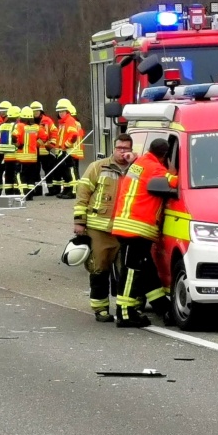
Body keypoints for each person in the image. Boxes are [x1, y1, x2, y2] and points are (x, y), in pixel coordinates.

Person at [110, 138, 177, 327]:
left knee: (147, 270)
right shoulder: (155, 169)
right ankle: (124, 314)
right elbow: (176, 182)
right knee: (132, 271)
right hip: (136, 227)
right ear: (164, 156)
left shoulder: (140, 162)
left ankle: (162, 307)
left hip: (126, 224)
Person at [75, 133, 134, 322]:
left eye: (126, 148)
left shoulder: (136, 169)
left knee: (125, 270)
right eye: (120, 148)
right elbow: (83, 193)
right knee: (99, 268)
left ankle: (124, 308)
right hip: (99, 229)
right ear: (113, 149)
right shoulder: (98, 167)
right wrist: (79, 221)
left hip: (125, 229)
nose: (123, 152)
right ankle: (100, 308)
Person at [54, 99, 82, 199]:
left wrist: (66, 145)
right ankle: (66, 189)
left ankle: (73, 191)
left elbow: (74, 135)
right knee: (65, 172)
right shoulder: (62, 122)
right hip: (64, 151)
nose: (60, 113)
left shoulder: (69, 121)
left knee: (71, 172)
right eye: (59, 111)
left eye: (62, 111)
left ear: (67, 111)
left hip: (69, 151)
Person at [31, 101, 59, 196]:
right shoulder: (29, 121)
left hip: (45, 150)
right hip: (34, 151)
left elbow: (54, 132)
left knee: (48, 170)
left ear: (41, 111)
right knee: (35, 171)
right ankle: (38, 190)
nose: (35, 113)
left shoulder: (47, 121)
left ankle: (51, 189)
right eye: (33, 111)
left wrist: (52, 144)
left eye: (37, 111)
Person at [16, 106, 40, 199]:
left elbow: (14, 136)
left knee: (23, 176)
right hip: (33, 157)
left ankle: (23, 194)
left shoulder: (20, 126)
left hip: (22, 157)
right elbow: (44, 136)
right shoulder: (36, 128)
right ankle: (30, 195)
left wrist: (18, 144)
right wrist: (36, 143)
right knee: (31, 177)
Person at [0, 106, 22, 196]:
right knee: (16, 174)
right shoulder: (16, 126)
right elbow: (18, 139)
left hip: (6, 155)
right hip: (15, 153)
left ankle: (8, 192)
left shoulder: (2, 126)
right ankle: (17, 191)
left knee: (8, 174)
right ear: (17, 117)